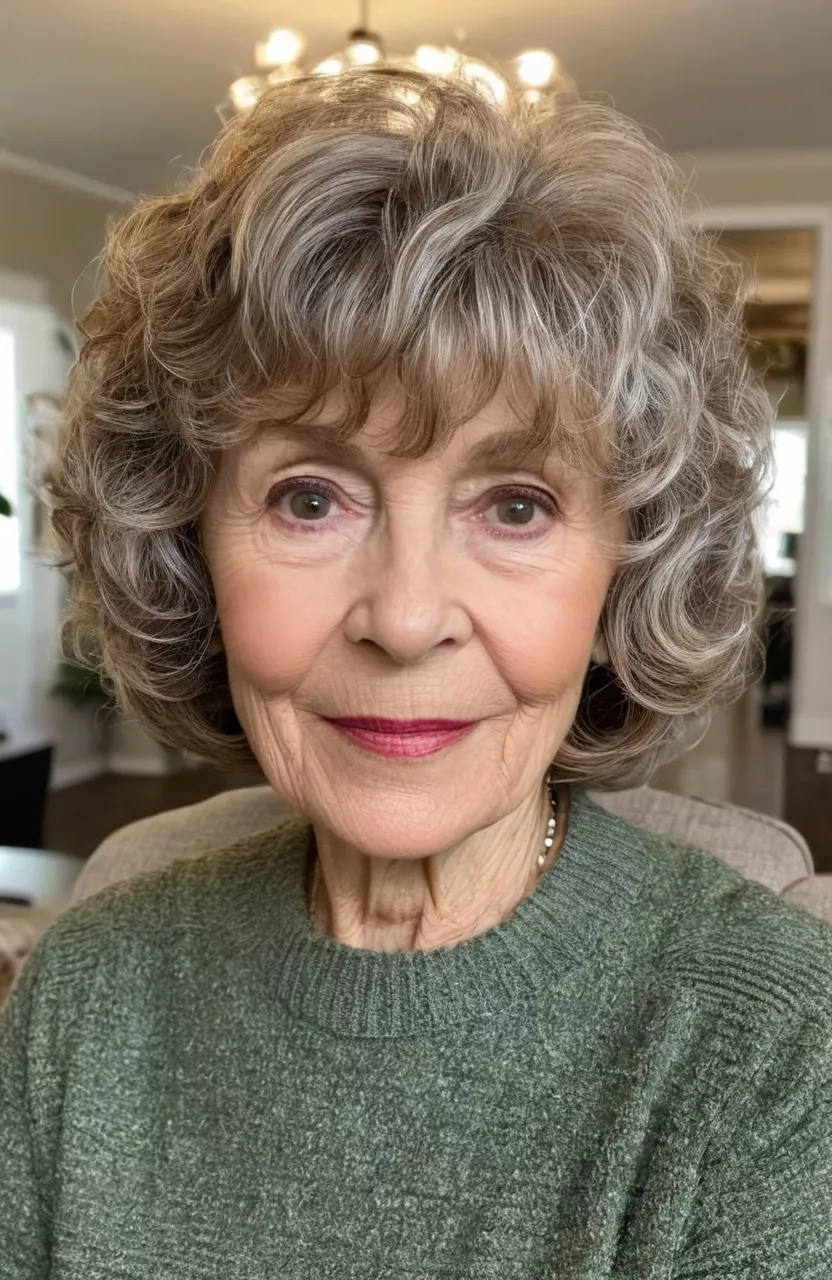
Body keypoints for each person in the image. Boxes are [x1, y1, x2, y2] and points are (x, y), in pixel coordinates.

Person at [2, 67, 831, 1279]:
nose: (402, 617)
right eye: (308, 496)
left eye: (515, 502)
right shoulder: (82, 992)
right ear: (190, 550)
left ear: (626, 566)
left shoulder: (775, 1043)